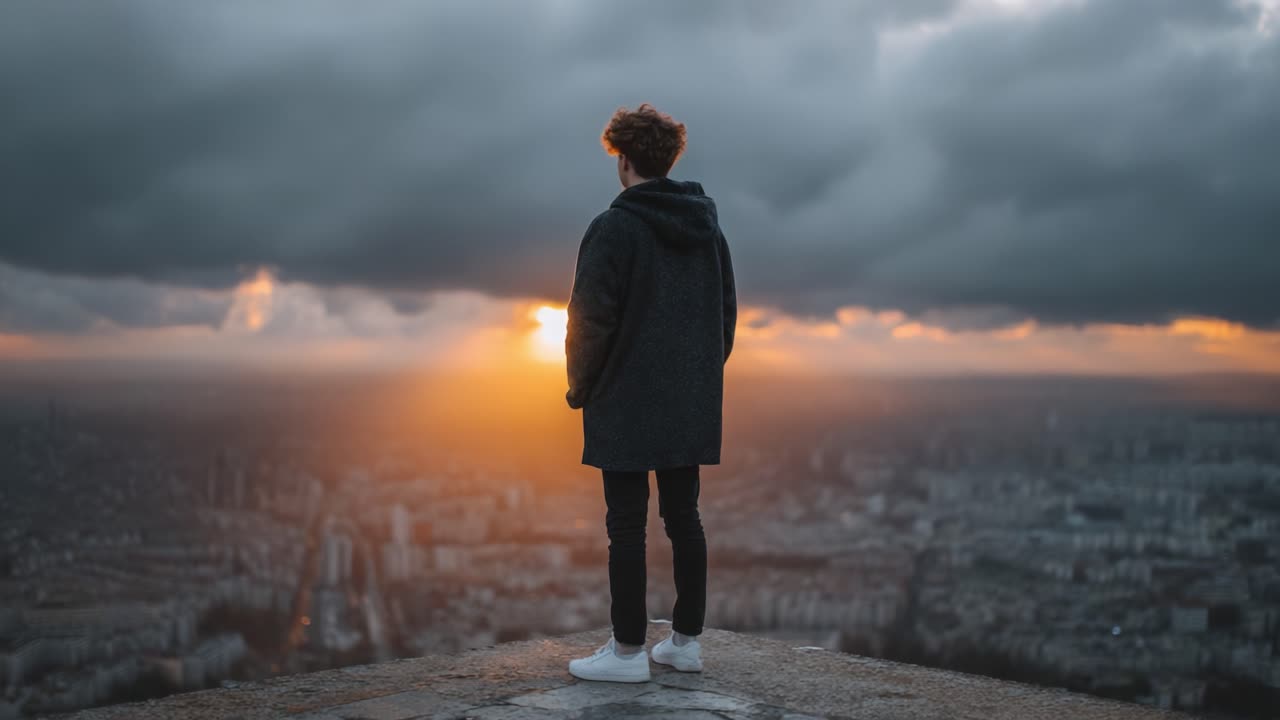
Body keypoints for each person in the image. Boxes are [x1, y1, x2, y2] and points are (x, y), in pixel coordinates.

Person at [564, 103, 737, 682]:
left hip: (625, 397)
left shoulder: (613, 228)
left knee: (626, 526)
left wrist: (581, 387)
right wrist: (700, 376)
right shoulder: (707, 229)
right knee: (684, 517)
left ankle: (628, 651)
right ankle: (685, 643)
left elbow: (589, 321)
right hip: (690, 397)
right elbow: (726, 318)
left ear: (623, 160)